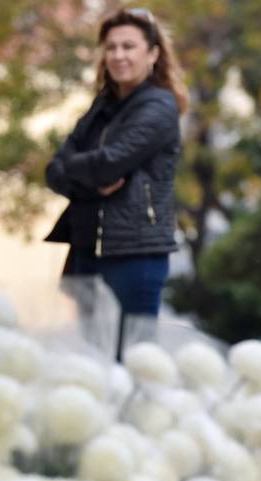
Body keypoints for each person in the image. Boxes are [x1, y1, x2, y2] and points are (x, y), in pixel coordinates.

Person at [44, 7, 188, 353]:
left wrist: (77, 172)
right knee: (92, 360)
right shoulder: (101, 107)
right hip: (85, 248)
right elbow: (53, 171)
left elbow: (107, 164)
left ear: (152, 53)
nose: (118, 55)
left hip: (135, 252)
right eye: (111, 47)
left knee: (134, 360)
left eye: (128, 46)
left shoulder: (159, 106)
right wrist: (88, 180)